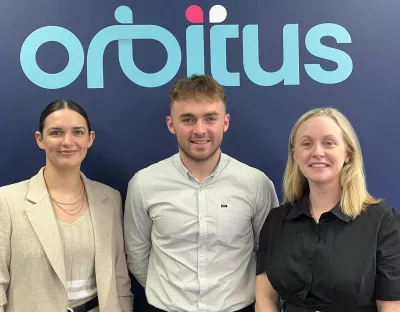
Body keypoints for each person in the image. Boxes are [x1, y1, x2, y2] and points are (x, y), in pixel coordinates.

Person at [124, 74, 278, 312]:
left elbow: (267, 252)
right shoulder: (144, 184)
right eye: (188, 119)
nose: (199, 130)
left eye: (210, 118)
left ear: (225, 122)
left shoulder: (255, 184)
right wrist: (170, 297)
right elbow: (137, 254)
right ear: (170, 124)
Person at [255, 107, 400, 312]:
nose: (317, 152)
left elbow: (392, 306)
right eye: (306, 144)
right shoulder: (277, 219)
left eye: (329, 143)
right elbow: (265, 298)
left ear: (348, 154)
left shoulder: (383, 222)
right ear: (295, 155)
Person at [0, 100, 133, 312]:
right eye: (56, 133)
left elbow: (119, 278)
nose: (67, 141)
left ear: (90, 139)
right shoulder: (6, 201)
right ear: (40, 139)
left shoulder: (109, 198)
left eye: (78, 132)